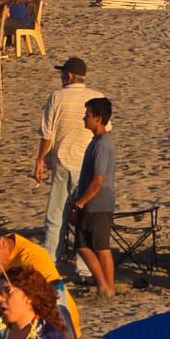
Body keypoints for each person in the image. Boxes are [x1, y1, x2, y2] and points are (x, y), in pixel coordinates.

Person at [34, 58, 105, 271]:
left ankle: (51, 262)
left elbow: (48, 134)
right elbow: (105, 131)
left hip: (64, 162)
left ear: (68, 76)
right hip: (89, 164)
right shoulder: (97, 97)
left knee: (56, 216)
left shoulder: (57, 97)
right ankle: (84, 267)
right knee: (84, 216)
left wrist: (39, 160)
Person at [70, 98, 117, 297]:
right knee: (82, 245)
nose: (84, 118)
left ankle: (108, 287)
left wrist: (79, 203)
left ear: (98, 118)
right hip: (90, 202)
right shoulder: (96, 142)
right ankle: (103, 285)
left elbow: (98, 181)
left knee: (101, 247)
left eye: (87, 115)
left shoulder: (103, 144)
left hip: (98, 203)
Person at [0, 232, 80, 338]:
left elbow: (56, 294)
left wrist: (64, 335)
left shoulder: (33, 258)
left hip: (58, 323)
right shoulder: (4, 255)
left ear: (2, 243)